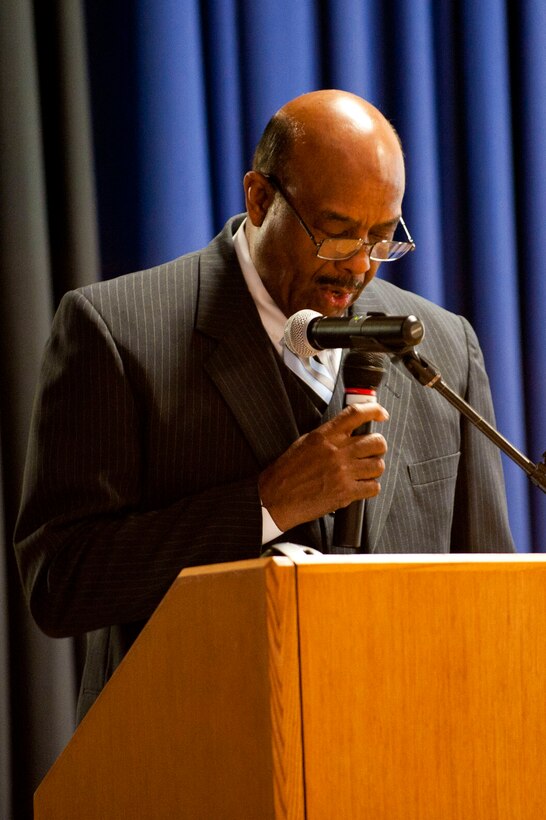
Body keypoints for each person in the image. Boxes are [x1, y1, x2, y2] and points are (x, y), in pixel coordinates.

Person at [14, 90, 514, 722]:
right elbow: (60, 582)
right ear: (260, 199)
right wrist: (265, 505)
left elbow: (491, 591)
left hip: (401, 754)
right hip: (192, 763)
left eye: (382, 238)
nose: (360, 267)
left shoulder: (444, 344)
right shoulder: (114, 331)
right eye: (335, 235)